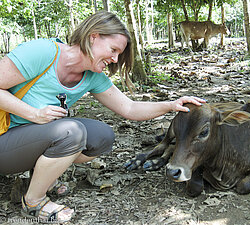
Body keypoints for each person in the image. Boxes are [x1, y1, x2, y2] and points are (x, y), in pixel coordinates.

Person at [0, 11, 205, 223]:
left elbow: (130, 108)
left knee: (101, 136)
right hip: (3, 137)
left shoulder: (92, 76)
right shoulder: (42, 52)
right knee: (71, 132)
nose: (115, 59)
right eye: (113, 50)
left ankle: (41, 176)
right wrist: (34, 113)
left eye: (119, 54)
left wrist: (171, 105)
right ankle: (34, 201)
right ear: (93, 37)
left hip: (27, 140)